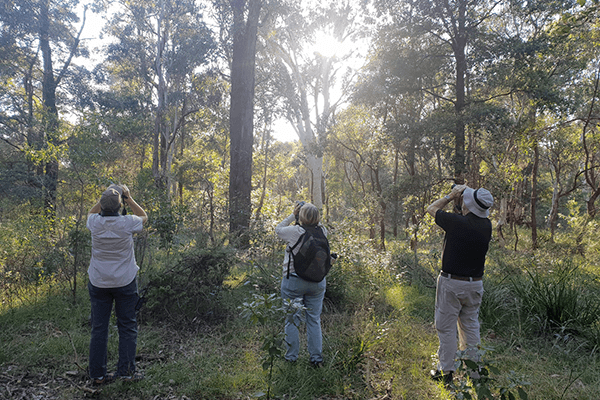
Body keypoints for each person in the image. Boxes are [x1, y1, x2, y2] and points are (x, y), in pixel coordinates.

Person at [426, 184, 494, 384]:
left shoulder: (458, 223)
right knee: (471, 327)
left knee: (446, 328)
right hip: (475, 285)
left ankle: (445, 372)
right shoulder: (486, 225)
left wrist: (451, 195)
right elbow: (468, 215)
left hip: (452, 284)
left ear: (469, 205)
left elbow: (431, 209)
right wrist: (464, 200)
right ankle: (474, 372)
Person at [87, 184, 148, 385]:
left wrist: (107, 194)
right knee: (128, 326)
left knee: (99, 328)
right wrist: (128, 198)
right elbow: (144, 216)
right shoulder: (128, 222)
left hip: (99, 282)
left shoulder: (94, 222)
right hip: (125, 281)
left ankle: (97, 376)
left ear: (102, 206)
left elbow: (91, 211)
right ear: (120, 205)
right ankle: (127, 373)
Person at [276, 202, 327, 368]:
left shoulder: (295, 231)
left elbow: (278, 229)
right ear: (317, 218)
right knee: (314, 320)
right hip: (317, 283)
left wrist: (293, 215)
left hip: (294, 282)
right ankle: (316, 360)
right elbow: (315, 224)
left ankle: (291, 358)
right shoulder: (323, 231)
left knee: (292, 320)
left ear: (301, 216)